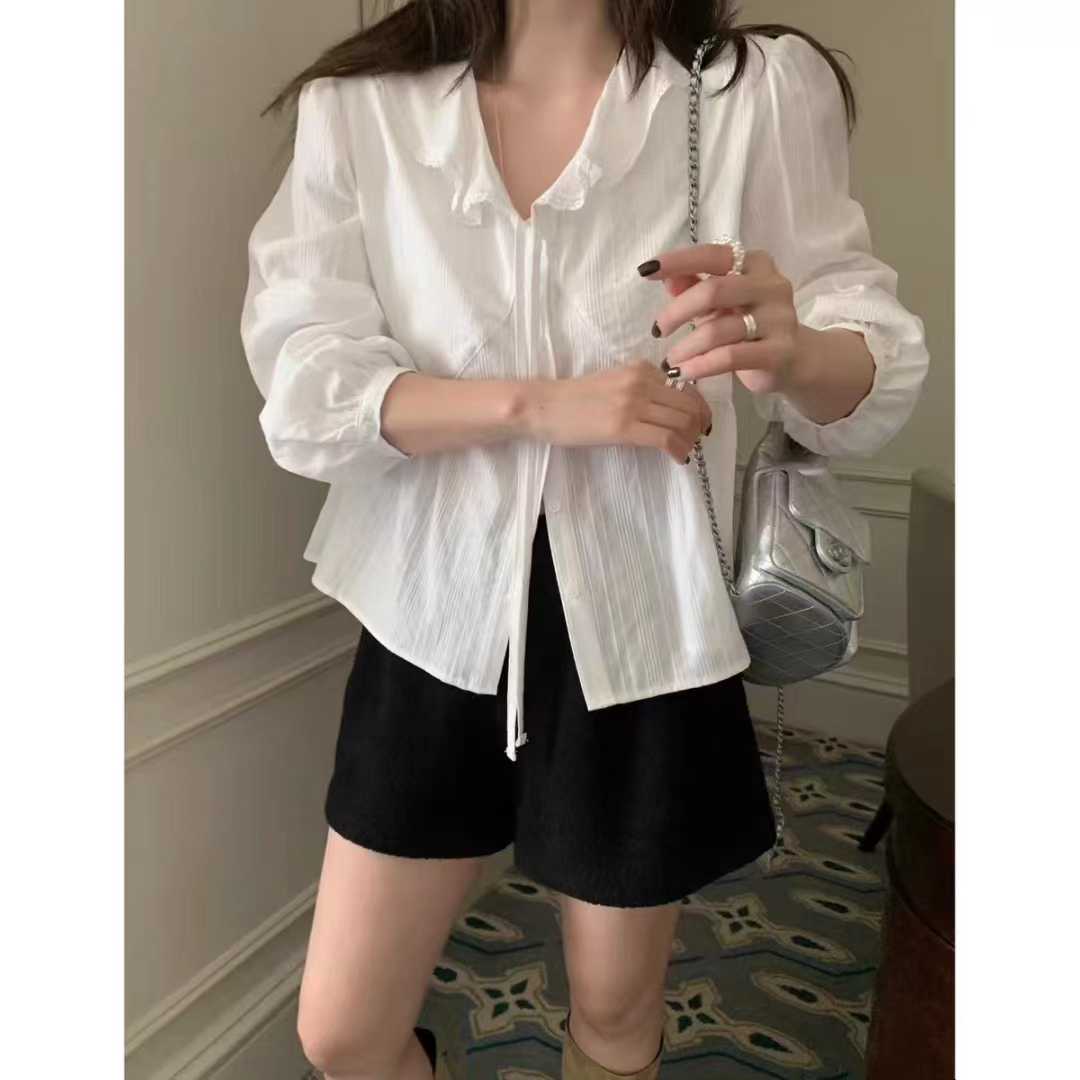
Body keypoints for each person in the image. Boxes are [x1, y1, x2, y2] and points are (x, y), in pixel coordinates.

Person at [240, 1, 929, 1077]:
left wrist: (794, 349)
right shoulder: (361, 105)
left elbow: (864, 365)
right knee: (342, 1031)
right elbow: (303, 386)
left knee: (614, 1014)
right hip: (430, 607)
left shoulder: (748, 89)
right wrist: (537, 406)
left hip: (643, 611)